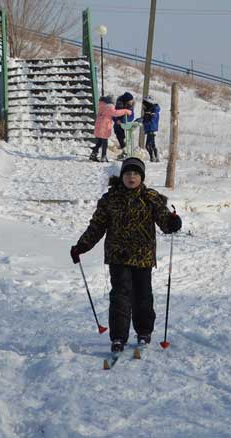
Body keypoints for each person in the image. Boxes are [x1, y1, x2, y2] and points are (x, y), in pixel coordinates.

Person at [70, 157, 182, 353]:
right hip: (118, 256)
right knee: (120, 296)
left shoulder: (151, 198)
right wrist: (81, 246)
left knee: (143, 296)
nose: (132, 177)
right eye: (128, 173)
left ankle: (144, 332)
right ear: (122, 176)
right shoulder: (110, 199)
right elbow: (97, 226)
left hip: (143, 256)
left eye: (136, 174)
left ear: (142, 177)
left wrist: (173, 222)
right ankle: (118, 338)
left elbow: (165, 222)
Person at [90, 96, 130, 162]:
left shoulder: (101, 107)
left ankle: (93, 154)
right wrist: (126, 111)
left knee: (99, 142)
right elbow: (116, 113)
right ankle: (103, 156)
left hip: (98, 128)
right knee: (104, 142)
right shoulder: (109, 107)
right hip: (104, 128)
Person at [142, 95, 161, 162]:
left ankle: (152, 158)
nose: (143, 106)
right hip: (149, 129)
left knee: (148, 146)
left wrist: (149, 115)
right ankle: (156, 157)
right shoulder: (149, 111)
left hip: (151, 129)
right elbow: (145, 119)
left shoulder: (154, 110)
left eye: (145, 104)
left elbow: (153, 118)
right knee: (152, 145)